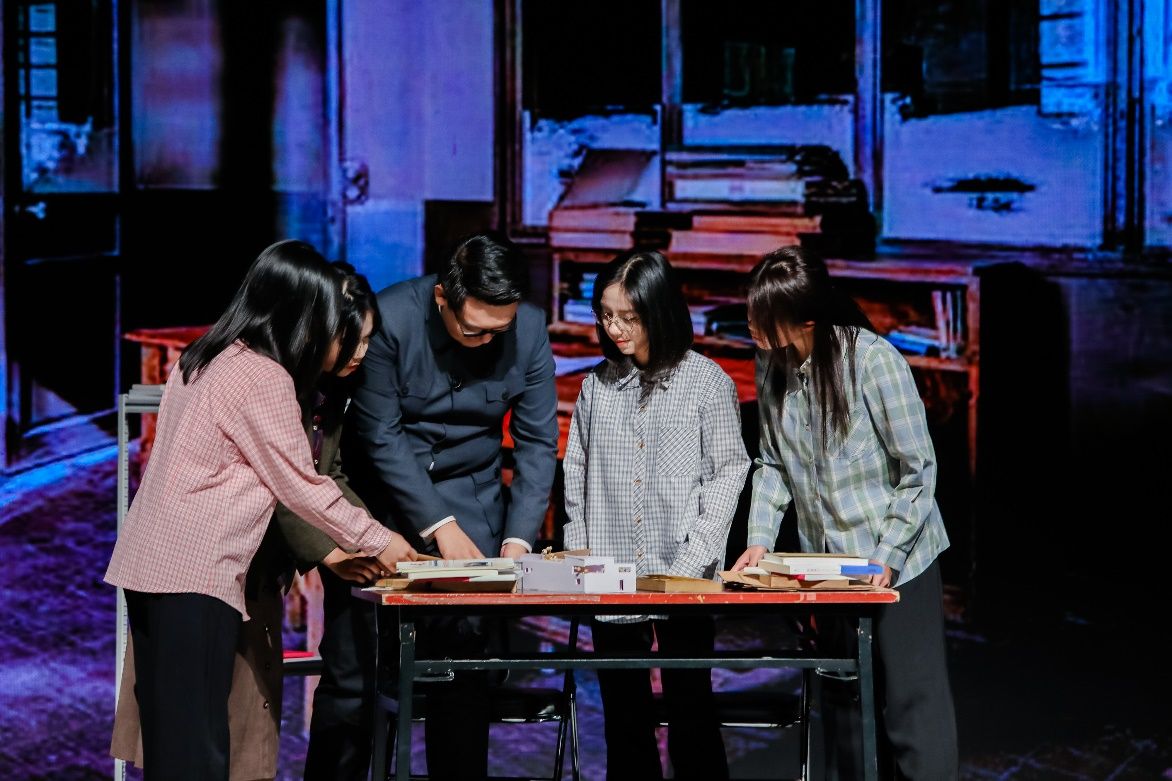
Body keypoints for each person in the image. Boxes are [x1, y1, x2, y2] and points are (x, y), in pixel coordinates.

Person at [104, 240, 417, 779]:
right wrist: (384, 541)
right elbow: (303, 485)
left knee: (173, 745)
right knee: (198, 755)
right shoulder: (264, 377)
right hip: (196, 575)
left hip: (150, 566)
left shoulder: (205, 355)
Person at [303, 232, 559, 780]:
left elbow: (538, 443)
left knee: (463, 676)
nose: (485, 342)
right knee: (353, 672)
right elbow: (379, 433)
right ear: (443, 296)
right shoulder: (391, 318)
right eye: (473, 329)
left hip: (477, 508)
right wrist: (438, 524)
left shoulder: (532, 329)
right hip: (379, 510)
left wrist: (518, 538)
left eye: (498, 332)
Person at [731, 246, 958, 779]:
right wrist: (760, 539)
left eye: (763, 316)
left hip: (898, 560)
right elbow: (772, 463)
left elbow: (918, 469)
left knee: (912, 710)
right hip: (829, 566)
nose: (751, 325)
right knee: (844, 705)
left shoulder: (874, 361)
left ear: (806, 319)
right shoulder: (772, 363)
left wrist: (888, 555)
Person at [562, 250, 750, 780]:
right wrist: (580, 551)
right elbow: (575, 472)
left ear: (659, 311)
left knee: (691, 705)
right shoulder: (596, 387)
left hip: (684, 568)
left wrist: (694, 559)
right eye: (606, 315)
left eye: (629, 316)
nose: (614, 328)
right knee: (624, 715)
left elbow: (728, 472)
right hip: (610, 567)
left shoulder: (706, 382)